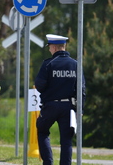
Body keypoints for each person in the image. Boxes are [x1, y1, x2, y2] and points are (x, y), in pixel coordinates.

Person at [34, 34, 86, 165]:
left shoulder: (48, 64)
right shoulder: (76, 64)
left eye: (50, 47)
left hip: (50, 106)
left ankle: (48, 162)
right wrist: (81, 109)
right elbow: (81, 89)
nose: (49, 50)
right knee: (66, 139)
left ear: (54, 47)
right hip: (69, 107)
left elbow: (39, 85)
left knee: (42, 131)